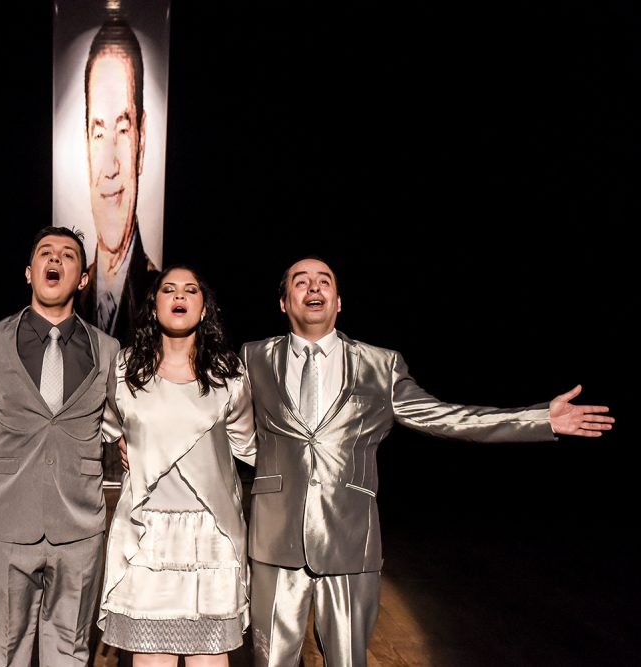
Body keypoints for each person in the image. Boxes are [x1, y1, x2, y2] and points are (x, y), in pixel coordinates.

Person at [241, 256, 615, 667]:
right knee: (270, 661)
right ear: (284, 302)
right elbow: (219, 419)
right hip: (274, 539)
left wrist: (539, 419)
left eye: (324, 281)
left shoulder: (381, 365)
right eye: (301, 281)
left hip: (350, 538)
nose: (314, 288)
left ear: (339, 301)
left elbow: (448, 417)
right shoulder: (253, 358)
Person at [0, 226, 121, 667]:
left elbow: (116, 422)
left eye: (68, 255)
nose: (56, 259)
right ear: (29, 272)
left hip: (79, 526)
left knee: (70, 650)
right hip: (4, 522)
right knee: (2, 650)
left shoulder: (108, 350)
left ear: (84, 278)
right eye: (46, 253)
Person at [97, 265, 256, 666]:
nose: (180, 295)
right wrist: (122, 441)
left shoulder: (229, 375)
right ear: (154, 307)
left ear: (203, 309)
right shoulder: (125, 369)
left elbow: (248, 445)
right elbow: (108, 424)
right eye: (169, 289)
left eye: (190, 290)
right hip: (147, 536)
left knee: (209, 658)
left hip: (211, 538)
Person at [76, 13, 160, 345]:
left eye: (123, 131)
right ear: (86, 146)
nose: (110, 166)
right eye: (99, 134)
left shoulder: (161, 293)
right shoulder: (70, 293)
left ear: (142, 141)